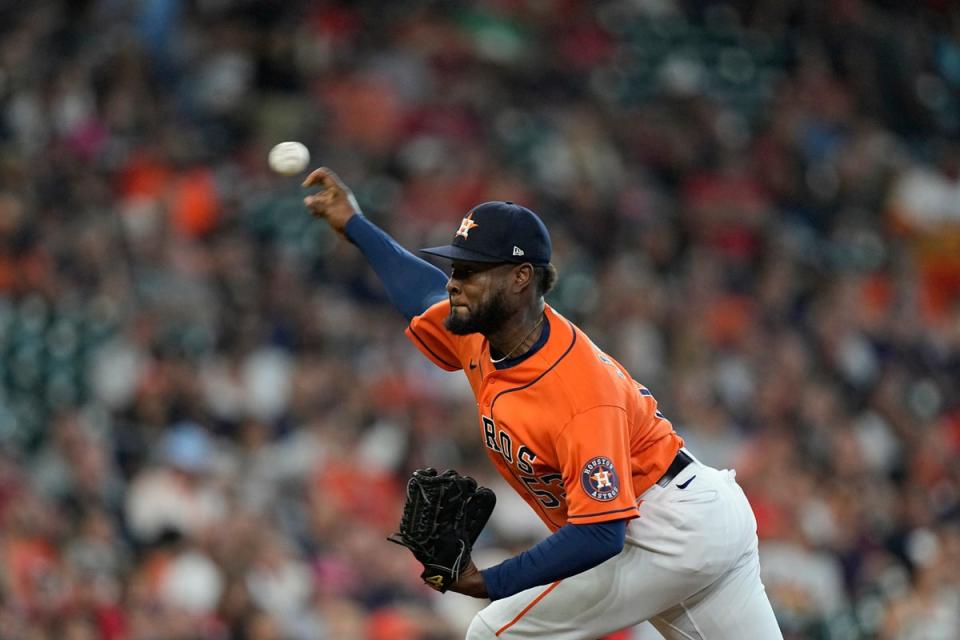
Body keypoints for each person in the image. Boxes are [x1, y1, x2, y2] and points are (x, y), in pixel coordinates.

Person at [302, 168, 783, 640]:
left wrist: (489, 581)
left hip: (669, 529)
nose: (454, 283)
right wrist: (355, 225)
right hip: (688, 517)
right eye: (456, 268)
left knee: (495, 630)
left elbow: (601, 534)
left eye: (470, 272)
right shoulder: (482, 331)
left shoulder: (579, 392)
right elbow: (420, 293)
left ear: (520, 278)